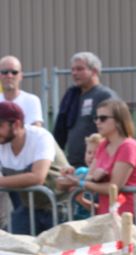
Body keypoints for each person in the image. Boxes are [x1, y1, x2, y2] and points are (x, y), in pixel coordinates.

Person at [80, 99, 136, 236]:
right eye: (96, 118)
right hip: (108, 218)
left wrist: (84, 183)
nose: (97, 122)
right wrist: (81, 177)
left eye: (103, 118)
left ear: (119, 120)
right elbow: (90, 176)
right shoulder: (103, 145)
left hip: (132, 219)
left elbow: (114, 187)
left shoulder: (128, 146)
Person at [0, 101, 68, 235]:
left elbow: (38, 177)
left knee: (60, 253)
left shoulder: (41, 137)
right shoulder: (2, 142)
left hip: (59, 208)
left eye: (0, 125)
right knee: (13, 248)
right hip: (29, 208)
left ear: (17, 124)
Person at [53, 52, 118, 168]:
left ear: (94, 71)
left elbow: (116, 131)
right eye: (72, 70)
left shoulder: (105, 96)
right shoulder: (72, 96)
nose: (74, 73)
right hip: (73, 164)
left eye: (79, 69)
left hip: (98, 165)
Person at [0, 56, 43, 127]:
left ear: (21, 76)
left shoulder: (32, 100)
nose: (9, 76)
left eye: (14, 72)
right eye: (5, 72)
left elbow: (36, 130)